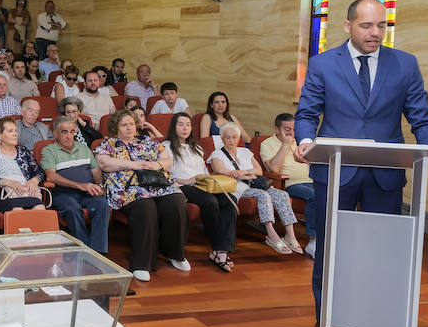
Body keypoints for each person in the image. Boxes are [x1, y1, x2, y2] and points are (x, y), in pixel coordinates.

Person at [294, 0, 428, 327]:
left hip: (385, 175)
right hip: (335, 172)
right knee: (329, 253)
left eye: (381, 25)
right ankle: (326, 323)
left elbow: (422, 118)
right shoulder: (322, 64)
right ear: (348, 26)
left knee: (386, 254)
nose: (375, 33)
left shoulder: (405, 64)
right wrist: (304, 141)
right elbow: (307, 113)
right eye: (367, 26)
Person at [96, 109, 187, 281]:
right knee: (145, 206)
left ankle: (175, 253)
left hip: (157, 184)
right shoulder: (109, 144)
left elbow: (167, 160)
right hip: (128, 188)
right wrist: (134, 164)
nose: (129, 128)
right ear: (116, 127)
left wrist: (158, 164)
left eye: (131, 123)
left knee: (177, 201)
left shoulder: (147, 141)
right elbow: (103, 163)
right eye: (124, 125)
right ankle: (141, 263)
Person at [210, 122, 303, 257]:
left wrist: (241, 172)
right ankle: (271, 234)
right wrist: (244, 173)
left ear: (239, 138)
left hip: (255, 184)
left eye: (234, 137)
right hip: (237, 188)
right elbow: (221, 170)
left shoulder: (245, 152)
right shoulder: (217, 154)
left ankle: (290, 235)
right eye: (228, 137)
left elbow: (259, 170)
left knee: (281, 194)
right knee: (263, 195)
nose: (231, 140)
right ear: (222, 138)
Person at [164, 111, 236, 271]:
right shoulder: (166, 146)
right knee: (210, 202)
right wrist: (186, 181)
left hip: (202, 183)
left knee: (230, 200)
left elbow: (204, 170)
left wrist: (203, 178)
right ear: (174, 126)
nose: (185, 128)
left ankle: (221, 250)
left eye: (188, 125)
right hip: (182, 186)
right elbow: (165, 174)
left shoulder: (196, 147)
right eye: (181, 124)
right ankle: (218, 247)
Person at [42, 115, 110, 252]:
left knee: (102, 205)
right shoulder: (49, 150)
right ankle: (84, 250)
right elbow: (51, 176)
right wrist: (81, 185)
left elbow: (95, 170)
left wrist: (100, 186)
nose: (69, 136)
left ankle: (98, 252)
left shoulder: (83, 147)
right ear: (55, 134)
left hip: (88, 191)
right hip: (63, 193)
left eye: (72, 132)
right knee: (73, 209)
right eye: (64, 132)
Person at [260, 113, 315, 256]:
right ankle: (313, 239)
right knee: (315, 196)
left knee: (333, 193)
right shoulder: (267, 144)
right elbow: (273, 169)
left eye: (293, 129)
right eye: (287, 129)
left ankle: (329, 236)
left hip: (312, 181)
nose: (292, 133)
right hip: (290, 184)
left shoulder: (300, 142)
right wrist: (285, 145)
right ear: (277, 129)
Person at [0, 117, 46, 216]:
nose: (15, 134)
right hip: (4, 193)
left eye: (16, 131)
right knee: (17, 210)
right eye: (10, 131)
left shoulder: (23, 151)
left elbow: (39, 171)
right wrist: (8, 182)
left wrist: (34, 181)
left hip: (26, 191)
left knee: (40, 208)